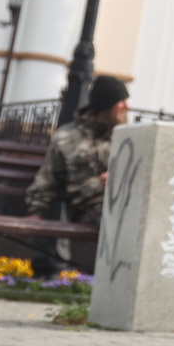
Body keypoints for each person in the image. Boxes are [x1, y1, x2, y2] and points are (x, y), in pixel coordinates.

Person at [22, 74, 129, 277]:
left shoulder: (127, 136)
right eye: (120, 101)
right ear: (106, 106)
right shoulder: (67, 138)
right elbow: (47, 178)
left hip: (125, 202)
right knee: (122, 220)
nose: (126, 106)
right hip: (88, 207)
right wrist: (37, 210)